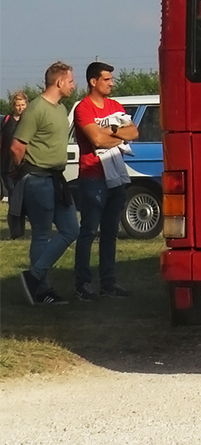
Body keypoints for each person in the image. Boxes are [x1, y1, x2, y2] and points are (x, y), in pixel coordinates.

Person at [10, 62, 80, 305]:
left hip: (56, 179)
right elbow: (17, 146)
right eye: (71, 80)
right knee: (41, 234)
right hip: (37, 179)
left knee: (71, 229)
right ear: (59, 82)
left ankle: (34, 278)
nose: (73, 85)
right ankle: (42, 291)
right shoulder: (36, 109)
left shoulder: (61, 109)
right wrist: (24, 171)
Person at [73, 62, 138, 300]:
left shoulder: (115, 105)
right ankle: (83, 284)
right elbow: (96, 140)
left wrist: (110, 133)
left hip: (115, 178)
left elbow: (133, 132)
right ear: (93, 81)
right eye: (107, 79)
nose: (111, 83)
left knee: (110, 232)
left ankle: (108, 283)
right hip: (92, 178)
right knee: (88, 231)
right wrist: (116, 135)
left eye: (111, 79)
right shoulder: (84, 108)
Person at [2, 91, 28, 199]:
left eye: (23, 105)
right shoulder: (6, 120)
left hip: (23, 165)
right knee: (13, 194)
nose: (20, 108)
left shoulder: (28, 121)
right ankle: (14, 215)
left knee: (22, 195)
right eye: (18, 105)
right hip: (7, 165)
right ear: (13, 106)